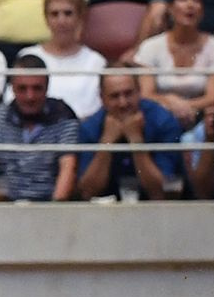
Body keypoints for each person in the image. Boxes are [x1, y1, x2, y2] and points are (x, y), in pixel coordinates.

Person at [0, 54, 77, 202]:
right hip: (5, 206)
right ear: (12, 87)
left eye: (37, 88)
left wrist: (55, 214)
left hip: (48, 206)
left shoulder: (64, 117)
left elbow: (68, 166)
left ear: (47, 87)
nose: (30, 96)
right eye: (22, 88)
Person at [72, 68, 183, 201]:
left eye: (128, 94)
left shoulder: (163, 121)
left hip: (157, 211)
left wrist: (136, 141)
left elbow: (162, 192)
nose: (123, 103)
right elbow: (87, 193)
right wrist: (107, 142)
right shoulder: (90, 127)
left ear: (139, 91)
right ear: (102, 98)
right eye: (114, 96)